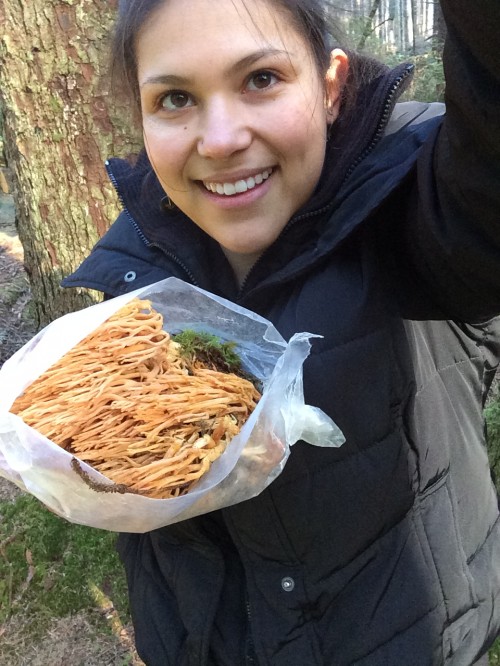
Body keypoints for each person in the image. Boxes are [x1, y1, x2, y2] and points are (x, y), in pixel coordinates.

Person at [63, 0, 500, 663]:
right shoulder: (137, 266)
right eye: (176, 97)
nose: (220, 139)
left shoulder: (416, 203)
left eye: (261, 79)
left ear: (329, 87)